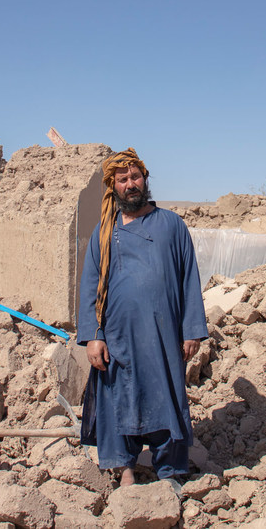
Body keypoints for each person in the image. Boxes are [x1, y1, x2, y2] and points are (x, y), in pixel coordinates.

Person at [77, 148, 208, 486]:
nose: (131, 184)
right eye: (123, 179)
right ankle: (124, 470)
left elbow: (188, 277)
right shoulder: (104, 233)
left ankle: (171, 472)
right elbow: (91, 285)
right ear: (113, 187)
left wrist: (191, 329)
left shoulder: (171, 225)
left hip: (164, 336)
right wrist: (94, 334)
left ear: (145, 179)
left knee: (167, 398)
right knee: (119, 398)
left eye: (135, 177)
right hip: (119, 338)